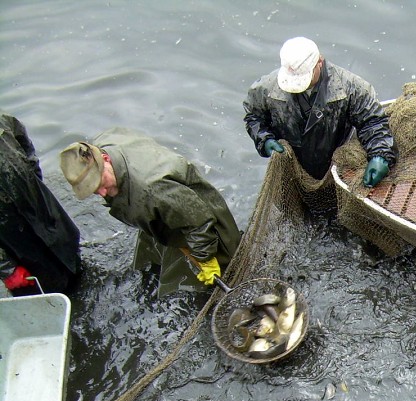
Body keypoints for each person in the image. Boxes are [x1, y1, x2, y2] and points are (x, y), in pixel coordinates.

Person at [59, 129, 241, 297]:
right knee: (154, 260)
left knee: (226, 273)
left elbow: (199, 223)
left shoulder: (153, 190)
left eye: (100, 183)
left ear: (105, 159)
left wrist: (205, 258)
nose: (102, 193)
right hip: (165, 211)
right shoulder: (106, 141)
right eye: (93, 189)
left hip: (204, 222)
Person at [243, 36, 397, 187]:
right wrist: (264, 139)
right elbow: (254, 117)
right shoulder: (266, 89)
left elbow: (372, 122)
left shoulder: (351, 88)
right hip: (292, 169)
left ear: (319, 62)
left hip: (338, 168)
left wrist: (380, 155)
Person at [0, 112, 81, 296]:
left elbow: (22, 138)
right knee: (41, 285)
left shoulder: (3, 120)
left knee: (69, 254)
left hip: (39, 207)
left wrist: (34, 179)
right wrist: (7, 269)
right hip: (10, 235)